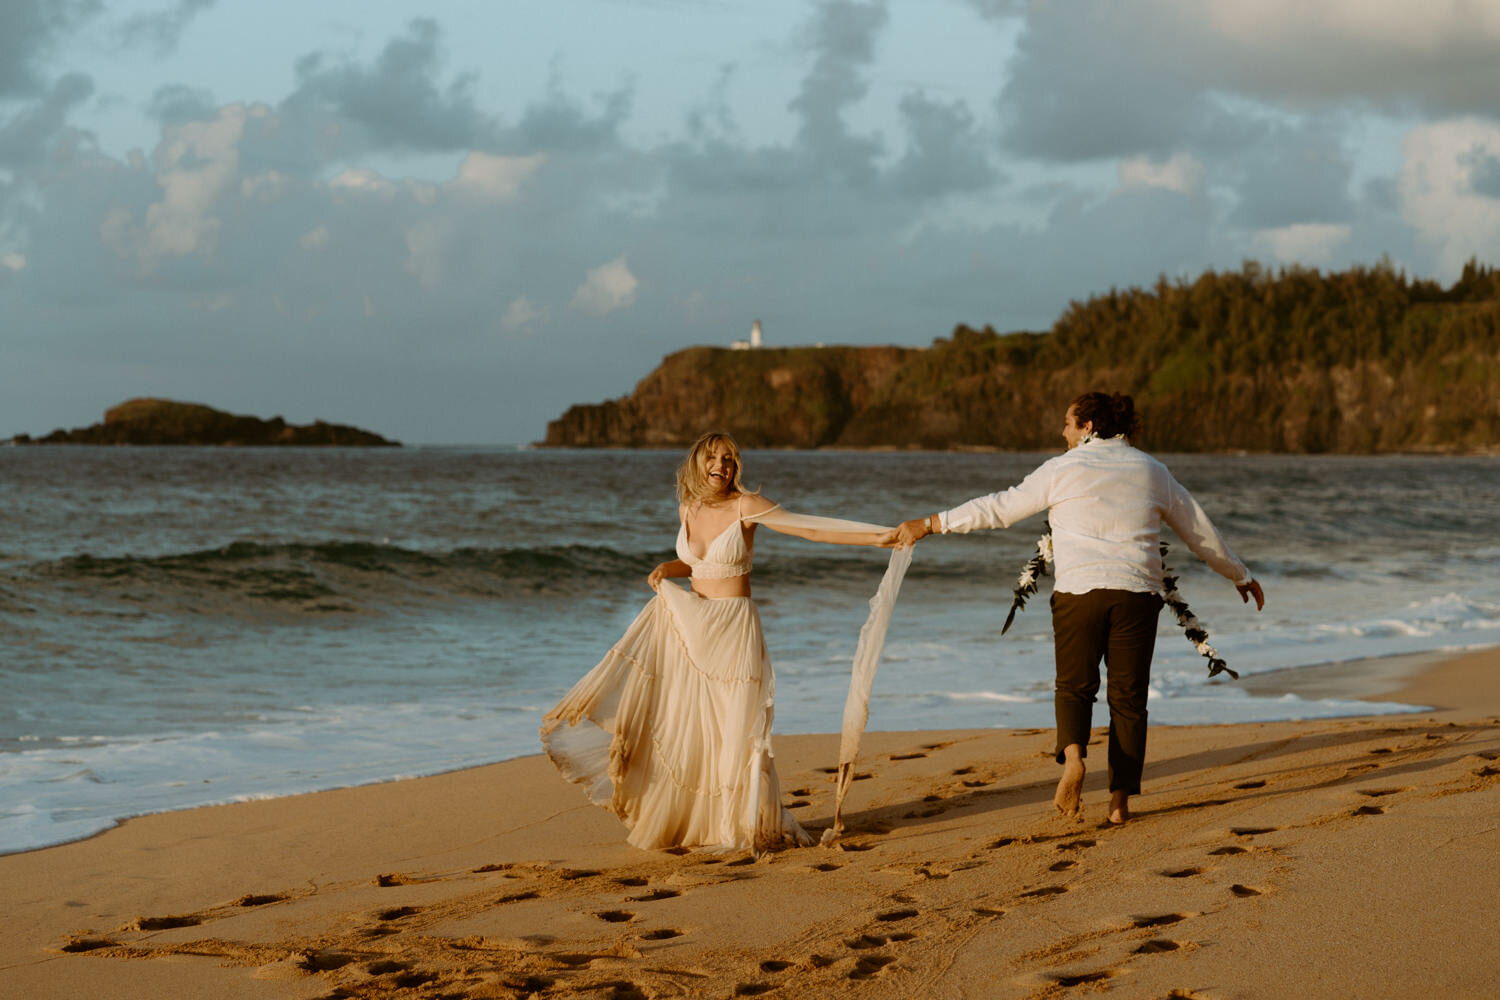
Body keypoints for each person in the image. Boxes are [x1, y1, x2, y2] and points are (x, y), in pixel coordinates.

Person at [893, 392, 1265, 825]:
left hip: (1078, 595)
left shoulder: (1061, 469)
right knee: (1128, 701)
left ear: (1088, 426)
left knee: (1074, 687)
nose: (1062, 432)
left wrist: (932, 523)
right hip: (1135, 596)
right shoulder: (1152, 470)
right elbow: (1199, 532)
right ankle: (1119, 804)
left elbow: (999, 508)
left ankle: (1073, 759)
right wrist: (1239, 574)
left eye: (1068, 423)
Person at [541, 431, 891, 854]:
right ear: (697, 461)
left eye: (729, 459)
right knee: (692, 730)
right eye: (715, 457)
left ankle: (739, 824)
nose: (722, 465)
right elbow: (695, 563)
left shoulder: (746, 505)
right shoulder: (687, 507)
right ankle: (699, 822)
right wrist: (666, 568)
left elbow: (810, 530)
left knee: (736, 730)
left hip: (733, 628)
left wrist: (879, 537)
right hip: (693, 627)